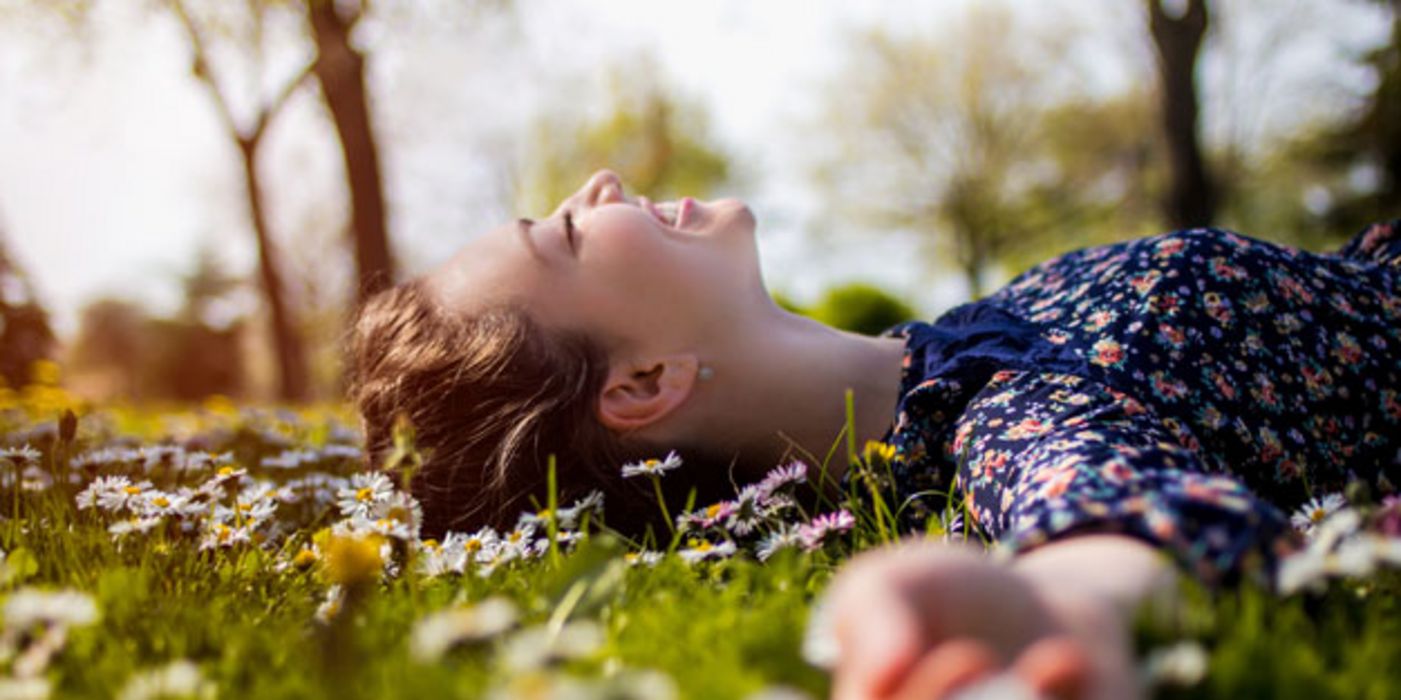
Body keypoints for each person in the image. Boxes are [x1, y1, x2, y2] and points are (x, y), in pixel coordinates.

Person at [346, 169, 1401, 698]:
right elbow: (1109, 515)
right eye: (569, 231)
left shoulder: (964, 342)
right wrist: (1048, 610)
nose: (601, 185)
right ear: (643, 385)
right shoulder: (999, 419)